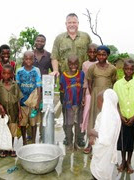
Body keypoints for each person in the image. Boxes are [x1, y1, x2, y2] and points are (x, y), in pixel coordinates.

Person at [51, 13, 91, 146]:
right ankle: (68, 136)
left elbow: (93, 53)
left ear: (78, 23)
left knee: (82, 109)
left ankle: (80, 136)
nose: (72, 24)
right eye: (69, 22)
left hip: (82, 81)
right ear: (66, 24)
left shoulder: (85, 37)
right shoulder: (59, 39)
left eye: (74, 22)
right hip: (66, 82)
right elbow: (54, 57)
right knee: (66, 109)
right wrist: (56, 70)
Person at [113, 59, 134, 174]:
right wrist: (121, 116)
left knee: (131, 142)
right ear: (123, 69)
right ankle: (123, 161)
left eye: (132, 69)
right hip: (121, 118)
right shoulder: (117, 84)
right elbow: (115, 102)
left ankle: (129, 161)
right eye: (127, 68)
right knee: (122, 141)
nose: (129, 71)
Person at [86, 45, 117, 153]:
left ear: (108, 55)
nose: (101, 56)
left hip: (107, 98)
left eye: (104, 54)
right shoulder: (92, 68)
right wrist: (94, 95)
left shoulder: (112, 68)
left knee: (105, 119)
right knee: (94, 119)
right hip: (95, 96)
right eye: (99, 54)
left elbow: (114, 84)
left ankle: (104, 144)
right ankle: (90, 143)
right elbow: (89, 84)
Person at [89, 89, 121, 180]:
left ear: (105, 102)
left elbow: (106, 139)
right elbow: (97, 127)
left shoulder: (111, 118)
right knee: (96, 170)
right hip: (100, 150)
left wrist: (92, 132)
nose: (97, 104)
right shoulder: (104, 114)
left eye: (98, 101)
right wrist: (92, 136)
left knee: (102, 173)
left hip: (105, 152)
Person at [0, 64, 23, 158]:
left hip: (13, 111)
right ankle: (4, 149)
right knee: (4, 130)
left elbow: (18, 99)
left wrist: (20, 112)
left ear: (11, 74)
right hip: (3, 113)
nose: (6, 76)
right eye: (4, 73)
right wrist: (0, 107)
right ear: (1, 74)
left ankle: (11, 148)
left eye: (8, 74)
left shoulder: (15, 85)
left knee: (12, 130)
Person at [16, 51, 42, 145]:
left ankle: (34, 140)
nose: (28, 61)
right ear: (23, 59)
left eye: (30, 59)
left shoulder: (36, 70)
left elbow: (39, 87)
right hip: (23, 102)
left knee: (33, 123)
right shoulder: (19, 71)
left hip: (33, 102)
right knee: (23, 123)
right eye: (26, 58)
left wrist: (38, 102)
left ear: (33, 59)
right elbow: (17, 88)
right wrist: (18, 104)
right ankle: (24, 141)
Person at [60, 54, 84, 150]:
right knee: (68, 124)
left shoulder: (81, 74)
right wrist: (63, 103)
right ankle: (69, 142)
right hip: (68, 104)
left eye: (75, 64)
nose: (73, 66)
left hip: (78, 104)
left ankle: (77, 142)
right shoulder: (63, 76)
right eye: (71, 64)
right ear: (68, 64)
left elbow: (84, 88)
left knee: (78, 124)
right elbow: (62, 90)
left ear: (78, 64)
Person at [32, 34, 53, 140]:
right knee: (32, 111)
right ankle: (30, 135)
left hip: (45, 90)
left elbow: (53, 71)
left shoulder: (49, 55)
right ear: (35, 42)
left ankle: (42, 135)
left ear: (45, 43)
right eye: (38, 41)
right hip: (31, 89)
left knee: (43, 111)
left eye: (42, 41)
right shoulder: (30, 55)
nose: (40, 43)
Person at [80, 43, 98, 154]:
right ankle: (89, 143)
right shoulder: (85, 64)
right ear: (87, 52)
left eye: (94, 51)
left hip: (99, 95)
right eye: (90, 51)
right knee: (88, 118)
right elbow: (84, 81)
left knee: (97, 119)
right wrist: (83, 96)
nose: (92, 54)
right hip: (88, 94)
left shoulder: (102, 63)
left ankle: (96, 144)